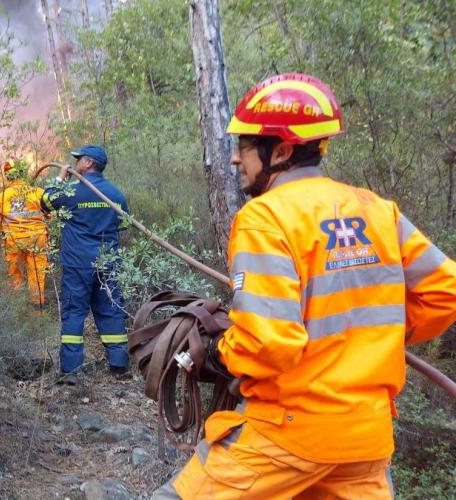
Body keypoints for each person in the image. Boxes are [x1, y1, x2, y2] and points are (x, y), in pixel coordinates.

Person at [154, 73, 456, 499]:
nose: (236, 159)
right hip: (365, 441)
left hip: (286, 437)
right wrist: (369, 339)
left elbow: (269, 343)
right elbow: (445, 291)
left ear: (280, 151)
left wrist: (222, 351)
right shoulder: (377, 209)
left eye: (243, 146)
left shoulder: (266, 217)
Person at [41, 145, 130, 382]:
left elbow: (46, 201)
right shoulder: (116, 194)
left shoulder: (71, 191)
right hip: (107, 264)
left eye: (79, 159)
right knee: (111, 310)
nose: (76, 162)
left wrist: (60, 177)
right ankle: (119, 365)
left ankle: (71, 371)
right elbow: (123, 224)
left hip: (78, 265)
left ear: (88, 163)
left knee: (74, 313)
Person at [0, 158, 49, 306]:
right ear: (23, 172)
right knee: (37, 274)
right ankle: (37, 309)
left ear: (7, 176)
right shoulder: (38, 192)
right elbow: (50, 214)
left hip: (13, 241)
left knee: (14, 273)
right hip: (37, 239)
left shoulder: (3, 196)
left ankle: (18, 308)